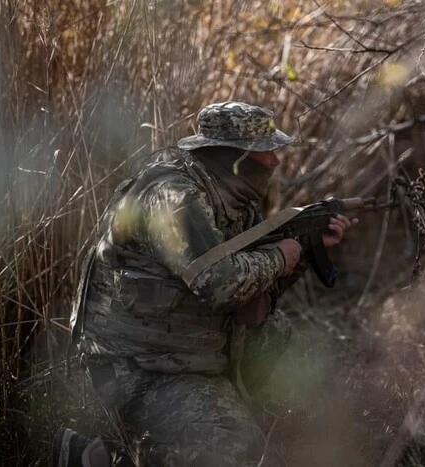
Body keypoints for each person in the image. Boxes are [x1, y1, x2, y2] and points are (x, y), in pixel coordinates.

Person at [53, 102, 357, 466]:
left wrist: (305, 250)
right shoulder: (174, 198)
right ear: (236, 159)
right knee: (231, 449)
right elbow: (219, 284)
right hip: (135, 365)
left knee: (309, 387)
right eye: (265, 153)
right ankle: (95, 456)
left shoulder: (234, 199)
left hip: (186, 352)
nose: (276, 162)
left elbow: (254, 294)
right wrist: (281, 256)